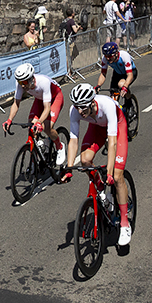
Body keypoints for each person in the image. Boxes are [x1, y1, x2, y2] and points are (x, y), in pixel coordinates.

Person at [63, 83, 132, 246]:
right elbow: (73, 141)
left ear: (92, 102)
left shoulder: (107, 105)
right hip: (97, 128)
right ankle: (100, 187)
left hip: (117, 127)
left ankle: (124, 223)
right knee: (85, 160)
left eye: (83, 107)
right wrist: (69, 168)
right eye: (77, 107)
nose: (80, 111)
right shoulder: (75, 111)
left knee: (116, 176)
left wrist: (109, 172)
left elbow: (113, 143)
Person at [2, 63, 66, 165]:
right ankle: (34, 160)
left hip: (55, 98)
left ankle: (59, 146)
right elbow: (16, 103)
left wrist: (40, 122)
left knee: (46, 127)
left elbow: (47, 108)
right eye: (20, 82)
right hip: (40, 99)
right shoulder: (21, 84)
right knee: (31, 127)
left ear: (31, 78)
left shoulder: (43, 82)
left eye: (24, 82)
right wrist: (9, 120)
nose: (22, 85)